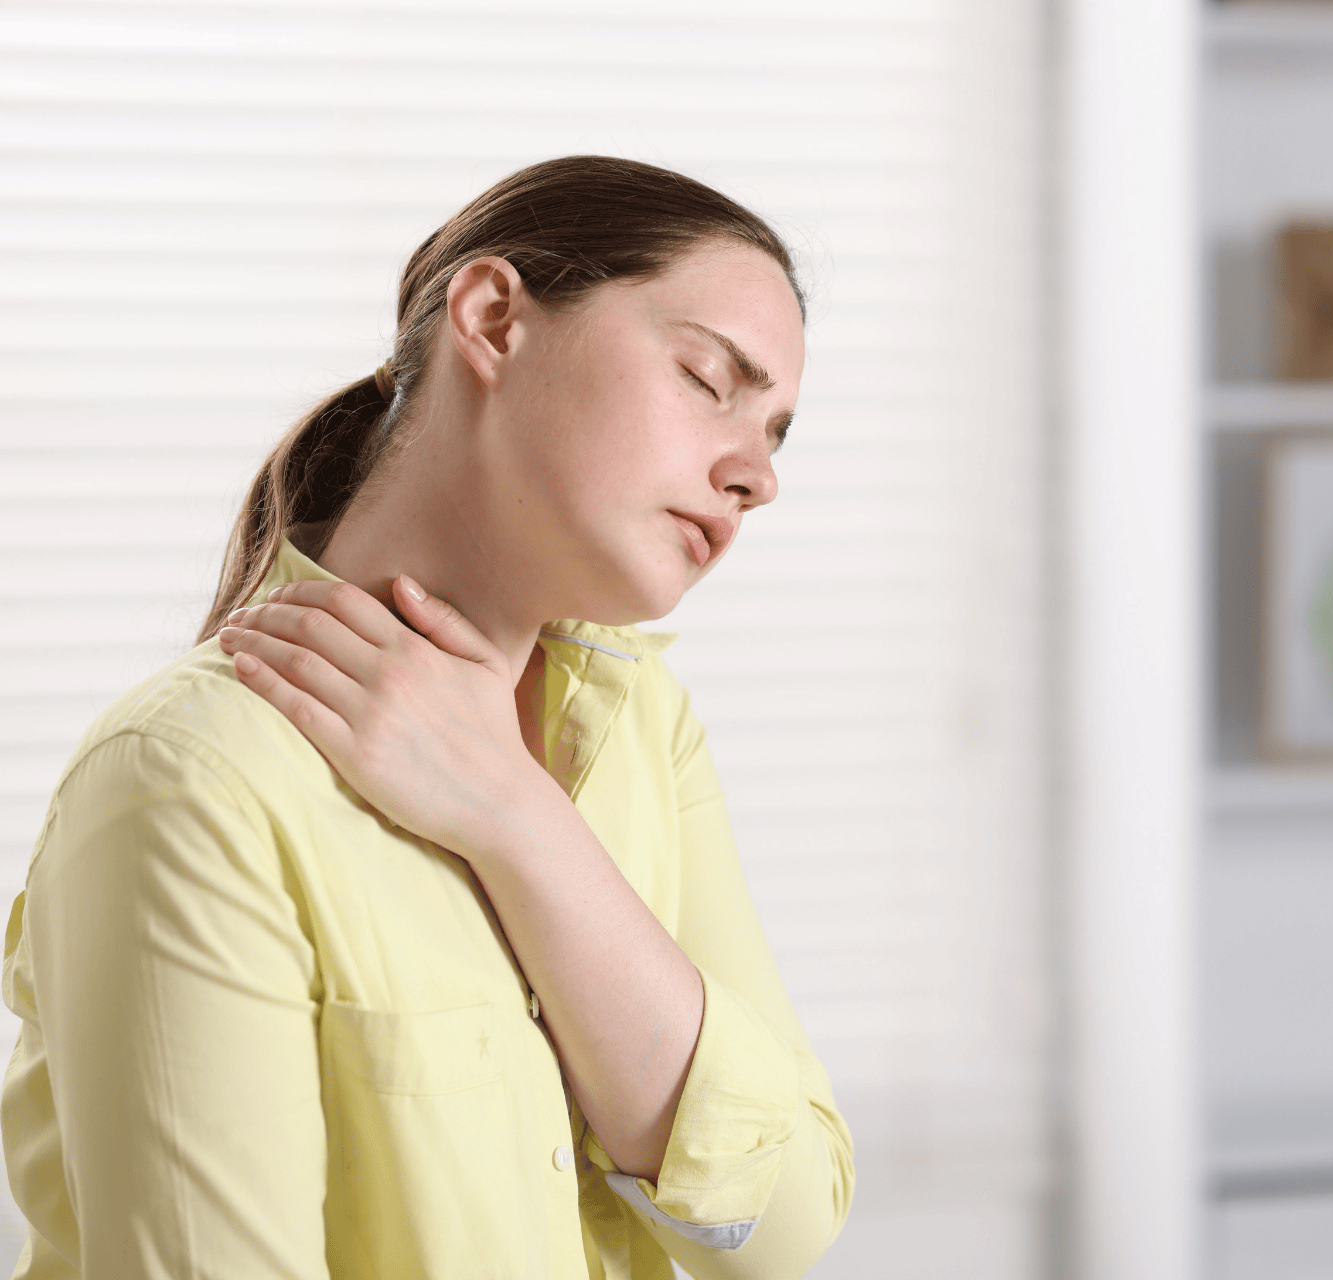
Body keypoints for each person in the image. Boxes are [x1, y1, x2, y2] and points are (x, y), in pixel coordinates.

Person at [0, 155, 853, 1279]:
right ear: (494, 318)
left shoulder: (645, 727)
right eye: (707, 377)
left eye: (777, 432)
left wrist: (514, 813)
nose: (758, 476)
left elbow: (784, 1231)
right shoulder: (190, 776)